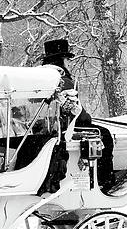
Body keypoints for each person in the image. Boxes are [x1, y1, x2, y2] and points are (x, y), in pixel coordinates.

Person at [40, 38, 116, 191]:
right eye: (67, 59)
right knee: (104, 135)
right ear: (60, 60)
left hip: (52, 127)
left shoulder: (42, 78)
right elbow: (78, 113)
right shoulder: (63, 80)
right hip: (67, 127)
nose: (70, 63)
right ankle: (103, 179)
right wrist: (87, 118)